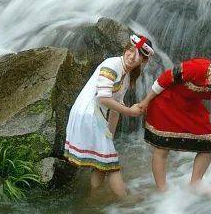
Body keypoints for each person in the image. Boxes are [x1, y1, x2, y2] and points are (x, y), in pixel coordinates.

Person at [134, 55, 211, 195]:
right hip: (167, 101)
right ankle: (162, 190)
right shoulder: (198, 68)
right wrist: (146, 101)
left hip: (190, 107)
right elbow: (165, 78)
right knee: (162, 148)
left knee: (208, 143)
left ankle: (196, 182)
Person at [63, 33, 155, 198]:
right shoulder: (112, 65)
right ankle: (126, 201)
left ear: (144, 60)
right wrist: (130, 111)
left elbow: (115, 110)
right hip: (88, 114)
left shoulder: (127, 76)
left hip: (95, 116)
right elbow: (103, 98)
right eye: (131, 51)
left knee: (103, 162)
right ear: (126, 49)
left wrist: (109, 137)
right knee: (111, 164)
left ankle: (93, 199)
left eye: (139, 55)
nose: (133, 56)